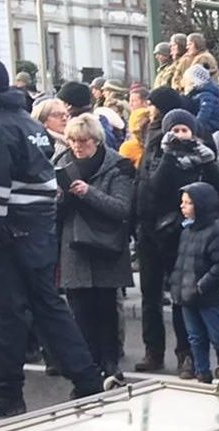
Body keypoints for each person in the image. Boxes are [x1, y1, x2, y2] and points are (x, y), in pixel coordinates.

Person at [0, 55, 103, 415]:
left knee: (2, 314)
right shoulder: (24, 122)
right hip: (35, 232)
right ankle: (87, 381)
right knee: (48, 308)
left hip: (7, 235)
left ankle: (6, 394)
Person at [136, 109, 219, 375]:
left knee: (181, 296)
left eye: (183, 130)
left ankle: (185, 354)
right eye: (173, 130)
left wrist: (206, 161)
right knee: (150, 296)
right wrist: (169, 155)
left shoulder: (202, 155)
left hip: (184, 234)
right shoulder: (155, 152)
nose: (178, 135)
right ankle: (153, 351)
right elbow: (154, 187)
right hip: (152, 233)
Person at [53, 114, 135, 380]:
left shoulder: (118, 165)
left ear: (96, 141)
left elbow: (122, 208)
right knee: (80, 310)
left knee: (106, 309)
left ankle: (110, 362)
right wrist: (61, 199)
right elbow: (51, 212)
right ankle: (88, 366)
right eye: (73, 140)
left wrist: (88, 192)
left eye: (83, 141)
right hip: (73, 246)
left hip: (106, 245)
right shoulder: (61, 163)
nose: (77, 146)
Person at [171, 181, 219, 382]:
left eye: (187, 203)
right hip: (188, 295)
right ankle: (202, 372)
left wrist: (202, 285)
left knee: (217, 337)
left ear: (201, 205)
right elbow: (181, 262)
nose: (182, 206)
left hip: (206, 296)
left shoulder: (215, 232)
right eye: (183, 202)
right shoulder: (186, 231)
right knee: (195, 338)